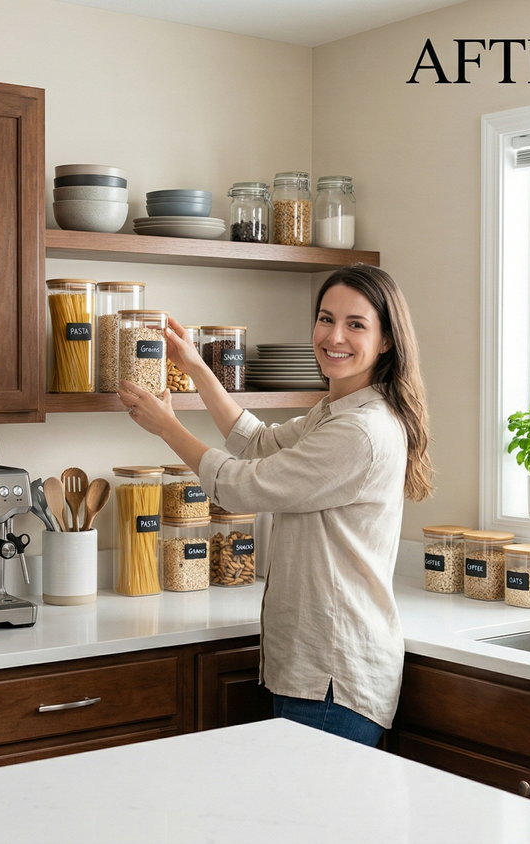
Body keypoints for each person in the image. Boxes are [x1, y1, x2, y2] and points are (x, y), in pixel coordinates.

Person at [116, 264, 432, 745]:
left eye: (356, 324)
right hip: (315, 665)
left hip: (333, 672)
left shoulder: (360, 431)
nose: (334, 336)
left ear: (386, 340)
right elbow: (259, 443)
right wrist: (198, 368)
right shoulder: (336, 412)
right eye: (326, 319)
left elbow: (242, 486)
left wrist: (167, 427)